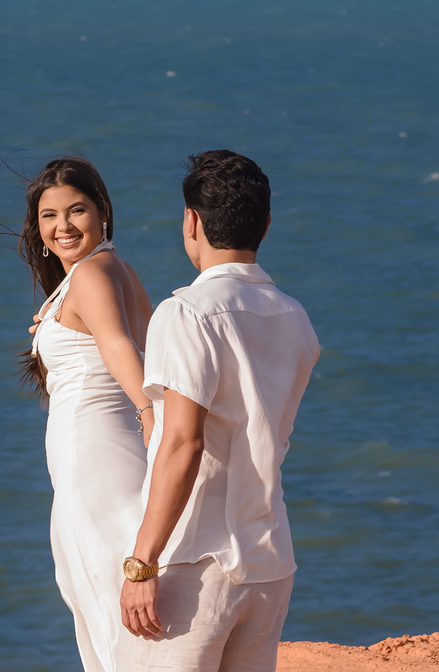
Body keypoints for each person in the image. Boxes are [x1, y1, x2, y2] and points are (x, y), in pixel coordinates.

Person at [117, 150, 320, 672]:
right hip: (269, 560)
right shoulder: (295, 318)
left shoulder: (186, 312)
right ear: (266, 225)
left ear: (192, 220)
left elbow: (185, 442)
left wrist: (142, 563)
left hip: (194, 561)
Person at [21, 157, 154, 672]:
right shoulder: (110, 269)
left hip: (91, 458)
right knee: (107, 582)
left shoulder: (92, 275)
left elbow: (121, 348)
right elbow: (136, 345)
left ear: (102, 212)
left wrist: (148, 413)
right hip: (106, 449)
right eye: (49, 216)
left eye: (77, 210)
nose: (63, 227)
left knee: (101, 590)